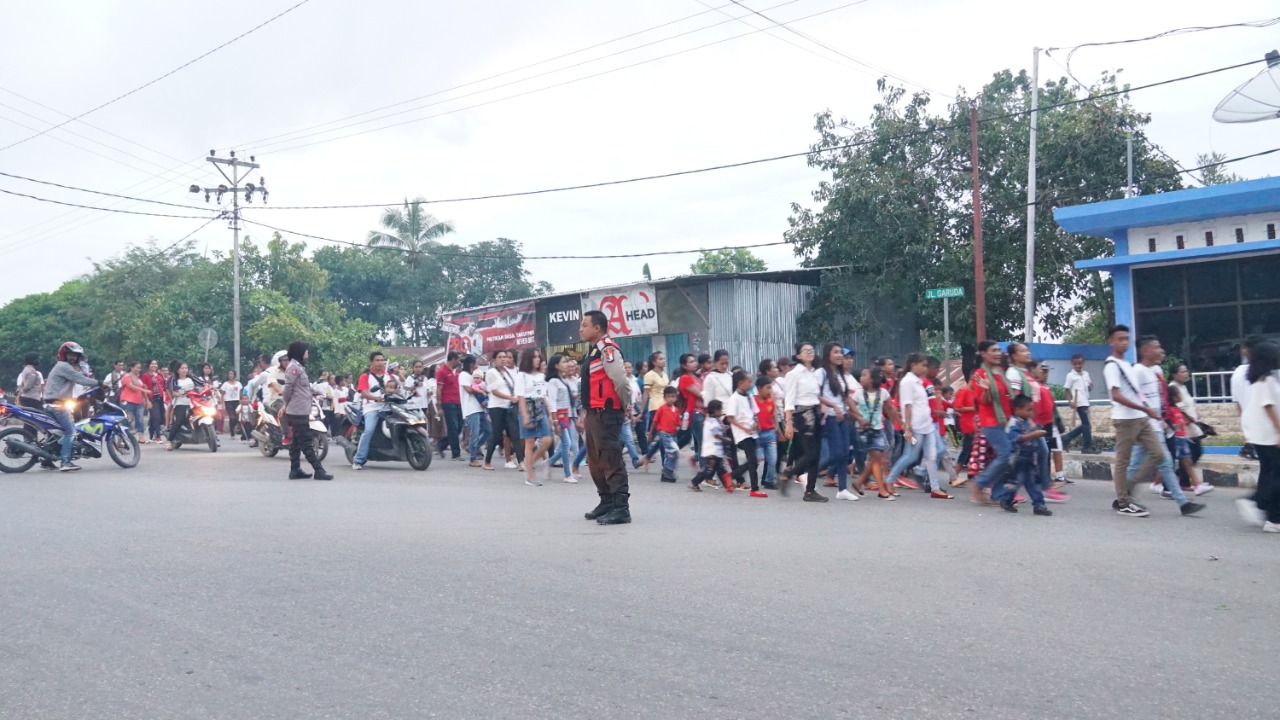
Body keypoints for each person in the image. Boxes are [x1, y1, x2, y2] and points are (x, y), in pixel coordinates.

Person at [1124, 336, 1205, 517]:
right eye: (1157, 347)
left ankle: (1122, 495)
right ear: (1145, 351)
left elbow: (1159, 400)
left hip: (1156, 425)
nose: (1161, 350)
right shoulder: (1136, 371)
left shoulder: (1155, 371)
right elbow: (1129, 397)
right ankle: (1183, 503)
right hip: (1145, 425)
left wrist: (1165, 421)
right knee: (1166, 462)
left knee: (1136, 464)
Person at [578, 310, 633, 524]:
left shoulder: (607, 349)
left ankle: (621, 508)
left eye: (585, 325)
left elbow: (620, 380)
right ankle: (607, 501)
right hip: (594, 413)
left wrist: (624, 405)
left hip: (607, 413)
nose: (581, 329)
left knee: (611, 459)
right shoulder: (593, 350)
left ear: (597, 328)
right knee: (595, 461)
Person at [886, 353, 948, 499]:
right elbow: (907, 405)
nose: (925, 368)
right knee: (910, 455)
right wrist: (907, 428)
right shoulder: (907, 382)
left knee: (936, 452)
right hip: (916, 426)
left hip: (927, 425)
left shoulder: (920, 382)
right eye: (923, 365)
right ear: (914, 365)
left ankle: (933, 485)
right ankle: (889, 481)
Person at [1235, 341, 1280, 532]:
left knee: (1272, 473)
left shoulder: (1262, 379)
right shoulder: (1265, 380)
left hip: (1263, 433)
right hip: (1267, 434)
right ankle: (1255, 503)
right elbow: (1269, 407)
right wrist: (1279, 432)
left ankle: (1272, 516)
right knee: (1275, 475)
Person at [41, 342, 102, 471]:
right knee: (71, 431)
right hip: (57, 406)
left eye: (75, 355)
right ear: (63, 354)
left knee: (56, 434)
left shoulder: (63, 367)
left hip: (50, 404)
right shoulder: (64, 366)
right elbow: (81, 379)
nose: (73, 357)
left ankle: (47, 460)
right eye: (70, 354)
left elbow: (80, 380)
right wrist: (99, 383)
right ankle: (65, 462)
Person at [969, 341, 1014, 505]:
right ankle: (979, 485)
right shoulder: (979, 374)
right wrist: (987, 388)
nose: (998, 353)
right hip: (990, 421)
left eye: (998, 350)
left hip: (1005, 420)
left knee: (1003, 457)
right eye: (993, 350)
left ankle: (997, 494)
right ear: (983, 354)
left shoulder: (1000, 372)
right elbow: (983, 401)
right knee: (1005, 455)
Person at [782, 342, 828, 502]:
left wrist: (823, 406)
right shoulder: (794, 374)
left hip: (816, 413)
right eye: (805, 351)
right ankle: (788, 474)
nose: (809, 353)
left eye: (811, 350)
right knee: (811, 453)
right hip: (803, 414)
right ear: (799, 356)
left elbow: (817, 395)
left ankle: (810, 490)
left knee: (816, 456)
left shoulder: (815, 373)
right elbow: (789, 400)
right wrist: (788, 422)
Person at [281, 341, 332, 480]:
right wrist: (286, 403)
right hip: (297, 410)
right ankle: (319, 470)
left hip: (302, 408)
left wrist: (315, 393)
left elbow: (303, 388)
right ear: (299, 352)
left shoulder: (299, 367)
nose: (307, 353)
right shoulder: (293, 368)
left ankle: (295, 469)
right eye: (305, 350)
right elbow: (288, 389)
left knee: (296, 441)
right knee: (306, 441)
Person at [814, 343, 855, 500]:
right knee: (837, 452)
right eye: (836, 352)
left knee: (844, 452)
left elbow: (845, 397)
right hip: (830, 416)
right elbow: (815, 394)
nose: (840, 355)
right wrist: (831, 406)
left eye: (841, 353)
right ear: (828, 354)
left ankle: (843, 489)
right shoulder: (821, 372)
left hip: (842, 417)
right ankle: (806, 472)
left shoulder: (840, 374)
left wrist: (857, 415)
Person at [999, 396, 1052, 516]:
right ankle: (1006, 500)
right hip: (1017, 459)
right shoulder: (1013, 423)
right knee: (1015, 482)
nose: (1031, 413)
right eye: (1028, 410)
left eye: (1032, 410)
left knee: (1032, 482)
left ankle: (1039, 505)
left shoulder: (1027, 422)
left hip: (1029, 458)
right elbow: (1018, 438)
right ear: (1017, 410)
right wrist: (1034, 434)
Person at [851, 366, 897, 499]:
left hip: (878, 429)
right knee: (876, 458)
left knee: (876, 458)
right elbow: (850, 409)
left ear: (872, 379)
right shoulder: (858, 394)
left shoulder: (883, 393)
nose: (861, 377)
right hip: (864, 431)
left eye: (864, 375)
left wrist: (900, 423)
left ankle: (859, 482)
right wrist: (859, 418)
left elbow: (890, 409)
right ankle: (882, 490)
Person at [1168, 363, 1212, 495]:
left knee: (1193, 453)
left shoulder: (1183, 387)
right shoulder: (1173, 387)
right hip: (1184, 427)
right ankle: (1182, 481)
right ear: (1174, 374)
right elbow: (1177, 407)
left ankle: (1182, 479)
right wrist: (1185, 419)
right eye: (1182, 372)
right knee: (1190, 454)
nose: (1185, 374)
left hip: (1192, 425)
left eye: (1186, 371)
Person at [515, 348, 553, 487]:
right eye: (534, 357)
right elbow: (521, 397)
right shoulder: (522, 376)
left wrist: (549, 412)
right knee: (529, 442)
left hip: (540, 407)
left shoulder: (541, 376)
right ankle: (530, 476)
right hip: (528, 407)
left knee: (547, 439)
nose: (538, 360)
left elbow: (543, 395)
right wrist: (525, 415)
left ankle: (530, 462)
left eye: (538, 357)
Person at [725, 370, 765, 497]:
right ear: (740, 383)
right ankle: (754, 488)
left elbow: (755, 412)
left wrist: (756, 423)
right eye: (748, 381)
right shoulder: (734, 398)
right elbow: (730, 418)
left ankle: (731, 476)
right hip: (742, 434)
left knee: (754, 461)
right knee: (752, 460)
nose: (750, 384)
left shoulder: (748, 397)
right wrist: (744, 429)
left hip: (752, 433)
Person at [484, 350, 523, 471]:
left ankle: (521, 461)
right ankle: (487, 461)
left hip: (509, 407)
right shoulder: (491, 372)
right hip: (496, 407)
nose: (503, 359)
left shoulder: (508, 372)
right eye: (500, 357)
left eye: (505, 357)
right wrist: (510, 397)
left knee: (514, 433)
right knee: (496, 435)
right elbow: (494, 391)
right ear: (495, 360)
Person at [546, 354, 582, 483]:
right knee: (567, 444)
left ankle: (550, 462)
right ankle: (567, 474)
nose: (566, 364)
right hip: (560, 416)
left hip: (567, 415)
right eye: (563, 362)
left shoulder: (564, 380)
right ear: (556, 365)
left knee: (568, 443)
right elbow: (553, 401)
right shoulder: (553, 381)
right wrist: (554, 420)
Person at [352, 351, 391, 470]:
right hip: (372, 408)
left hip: (388, 407)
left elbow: (397, 389)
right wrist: (375, 398)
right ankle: (358, 460)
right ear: (372, 362)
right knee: (368, 430)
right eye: (377, 360)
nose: (380, 363)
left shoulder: (388, 376)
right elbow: (363, 393)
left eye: (382, 360)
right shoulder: (365, 376)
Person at [642, 386, 681, 483]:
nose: (671, 399)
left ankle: (666, 473)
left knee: (670, 454)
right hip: (663, 433)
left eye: (673, 396)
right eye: (669, 396)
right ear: (664, 397)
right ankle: (668, 470)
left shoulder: (676, 410)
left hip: (672, 435)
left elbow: (677, 423)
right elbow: (655, 422)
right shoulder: (661, 409)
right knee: (674, 450)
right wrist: (651, 433)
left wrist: (678, 428)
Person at [690, 400, 731, 491]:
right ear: (716, 410)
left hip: (716, 451)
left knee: (720, 469)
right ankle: (694, 482)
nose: (721, 411)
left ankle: (728, 485)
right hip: (711, 451)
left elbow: (719, 429)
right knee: (708, 470)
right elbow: (716, 434)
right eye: (720, 410)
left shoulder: (715, 420)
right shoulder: (712, 421)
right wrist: (726, 439)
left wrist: (725, 428)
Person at [457, 355, 490, 467]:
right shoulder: (463, 375)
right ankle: (473, 458)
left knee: (489, 430)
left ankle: (473, 448)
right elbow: (469, 390)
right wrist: (481, 391)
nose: (478, 365)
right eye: (476, 363)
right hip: (471, 409)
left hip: (480, 407)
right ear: (471, 364)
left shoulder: (473, 375)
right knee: (474, 433)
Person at [1061, 353, 1097, 453]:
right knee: (1086, 424)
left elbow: (1088, 388)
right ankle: (1086, 447)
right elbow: (1066, 389)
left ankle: (1066, 438)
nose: (1078, 366)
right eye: (1075, 364)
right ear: (1072, 364)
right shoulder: (1071, 375)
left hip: (1086, 401)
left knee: (1086, 425)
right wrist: (1070, 402)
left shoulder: (1086, 374)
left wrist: (1090, 387)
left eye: (1080, 363)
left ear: (1083, 363)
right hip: (1079, 402)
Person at [676, 353, 705, 468]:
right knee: (703, 442)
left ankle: (697, 459)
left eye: (694, 361)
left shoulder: (697, 377)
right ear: (684, 365)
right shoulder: (685, 378)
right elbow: (700, 394)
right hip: (695, 413)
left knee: (703, 442)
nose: (694, 364)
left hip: (703, 412)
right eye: (691, 362)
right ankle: (704, 472)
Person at [435, 351, 463, 461]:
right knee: (453, 428)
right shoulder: (442, 371)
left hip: (458, 402)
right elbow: (439, 390)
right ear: (453, 359)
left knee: (459, 427)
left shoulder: (457, 371)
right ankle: (456, 454)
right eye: (458, 359)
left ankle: (441, 445)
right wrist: (439, 406)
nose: (459, 362)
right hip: (448, 402)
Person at [754, 377, 779, 490]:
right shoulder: (752, 401)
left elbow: (773, 417)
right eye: (768, 388)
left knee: (772, 459)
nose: (770, 391)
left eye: (771, 388)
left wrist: (778, 430)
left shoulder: (771, 402)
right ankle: (752, 480)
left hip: (770, 433)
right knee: (756, 459)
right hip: (757, 434)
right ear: (759, 388)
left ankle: (769, 481)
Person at [165, 362, 196, 450]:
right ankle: (169, 441)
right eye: (182, 368)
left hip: (193, 403)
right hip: (180, 403)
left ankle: (214, 437)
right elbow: (172, 391)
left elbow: (202, 384)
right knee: (179, 421)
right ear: (178, 370)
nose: (184, 370)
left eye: (186, 368)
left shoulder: (192, 378)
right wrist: (178, 394)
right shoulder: (174, 379)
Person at [119, 361, 147, 439]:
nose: (139, 369)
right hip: (128, 402)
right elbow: (132, 387)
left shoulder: (138, 378)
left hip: (139, 402)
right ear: (131, 368)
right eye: (137, 367)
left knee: (140, 419)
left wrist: (146, 399)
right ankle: (126, 435)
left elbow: (141, 389)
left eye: (140, 368)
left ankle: (141, 436)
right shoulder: (127, 377)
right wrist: (144, 390)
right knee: (128, 419)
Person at [221, 371, 242, 439]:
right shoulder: (225, 384)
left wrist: (241, 401)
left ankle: (235, 427)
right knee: (231, 417)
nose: (230, 375)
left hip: (236, 401)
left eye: (232, 374)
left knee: (236, 417)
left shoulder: (238, 384)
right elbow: (222, 394)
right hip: (228, 401)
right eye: (229, 374)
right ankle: (232, 433)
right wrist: (222, 403)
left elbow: (240, 393)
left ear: (234, 375)